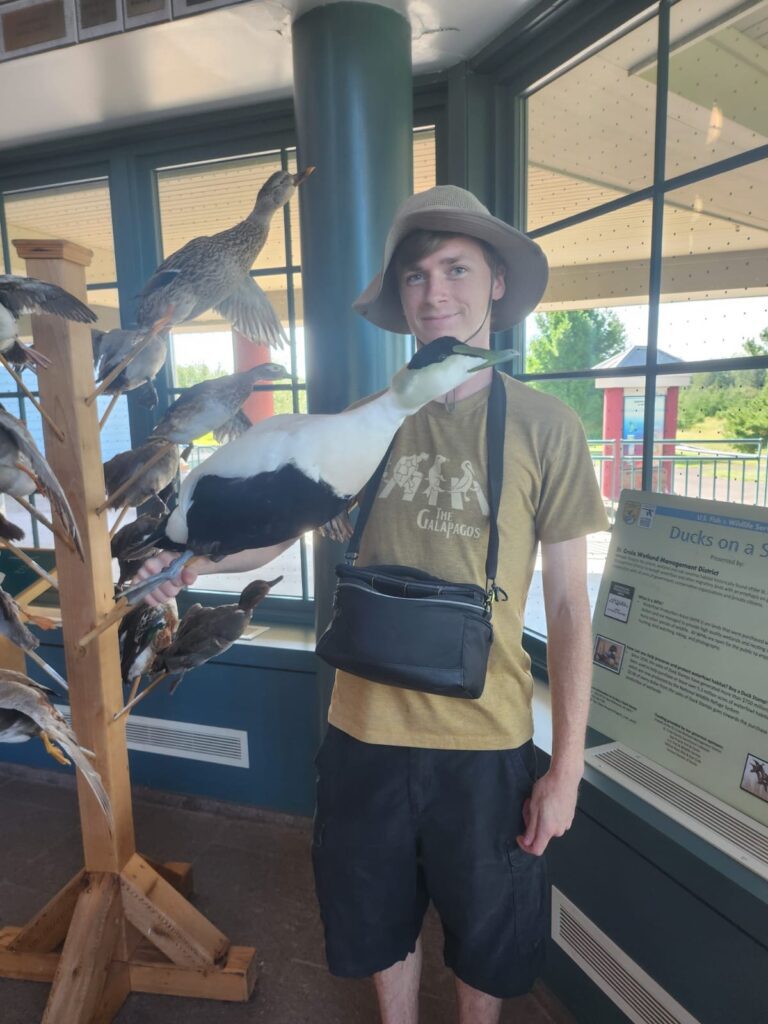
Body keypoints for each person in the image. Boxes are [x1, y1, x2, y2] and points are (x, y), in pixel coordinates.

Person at [137, 185, 609, 1024]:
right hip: (364, 732)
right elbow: (274, 537)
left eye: (456, 269)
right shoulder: (365, 423)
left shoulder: (547, 427)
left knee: (489, 938)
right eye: (418, 275)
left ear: (495, 282)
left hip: (488, 739)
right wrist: (188, 564)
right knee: (373, 920)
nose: (435, 292)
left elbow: (571, 608)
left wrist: (565, 768)